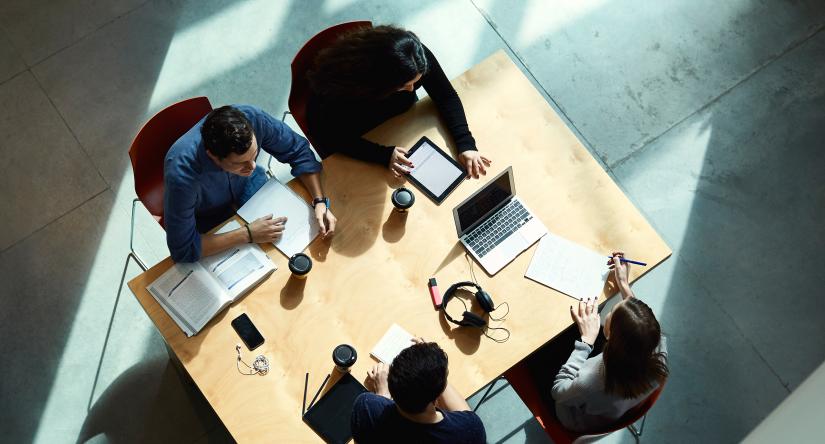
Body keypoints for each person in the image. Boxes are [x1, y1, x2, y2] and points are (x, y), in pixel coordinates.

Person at [307, 25, 491, 179]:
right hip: (360, 141)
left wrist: (465, 143)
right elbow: (332, 138)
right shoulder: (337, 91)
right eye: (404, 86)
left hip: (403, 128)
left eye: (416, 81)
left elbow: (446, 96)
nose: (412, 89)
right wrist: (383, 155)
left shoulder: (414, 56)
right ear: (380, 81)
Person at [163, 104, 337, 263]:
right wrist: (247, 234)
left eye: (254, 155)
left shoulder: (251, 119)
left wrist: (319, 201)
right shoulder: (182, 176)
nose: (252, 166)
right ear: (213, 156)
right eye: (240, 163)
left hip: (248, 185)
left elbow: (298, 151)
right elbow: (183, 249)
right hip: (207, 214)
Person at [548, 252, 669, 432]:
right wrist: (624, 285)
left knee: (548, 345)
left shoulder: (591, 383)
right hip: (612, 407)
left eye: (611, 312)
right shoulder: (657, 347)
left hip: (573, 416)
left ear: (611, 337)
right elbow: (639, 324)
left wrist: (586, 342)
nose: (609, 313)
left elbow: (558, 391)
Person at [351, 338, 486, 443]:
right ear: (436, 399)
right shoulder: (470, 432)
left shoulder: (367, 407)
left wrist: (382, 393)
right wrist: (434, 370)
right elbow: (466, 414)